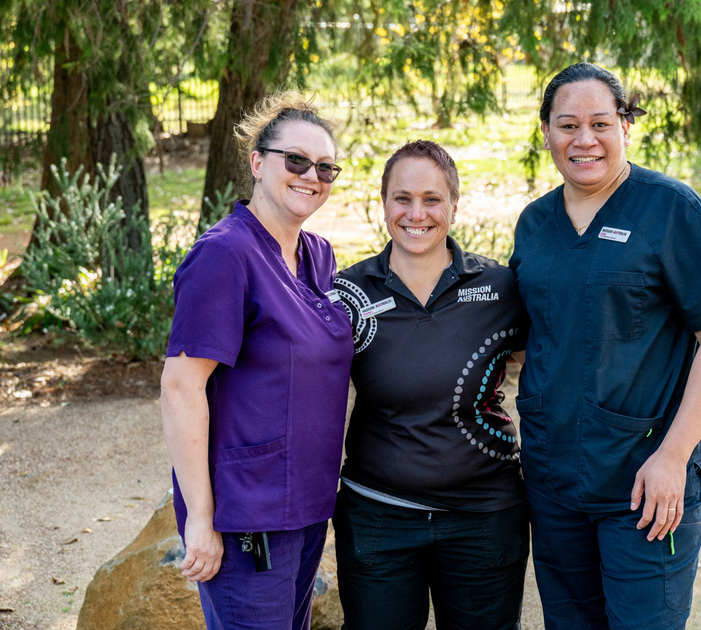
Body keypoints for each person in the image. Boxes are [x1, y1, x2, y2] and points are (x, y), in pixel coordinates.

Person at [509, 62, 701, 629]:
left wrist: (673, 458)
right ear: (546, 131)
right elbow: (536, 338)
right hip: (553, 480)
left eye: (600, 122)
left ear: (626, 125)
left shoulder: (669, 209)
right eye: (566, 124)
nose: (584, 139)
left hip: (645, 483)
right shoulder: (535, 223)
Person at [160, 91, 354, 630]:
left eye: (325, 167)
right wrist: (200, 518)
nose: (310, 175)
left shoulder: (316, 254)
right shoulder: (225, 255)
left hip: (308, 507)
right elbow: (180, 387)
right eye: (295, 161)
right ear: (257, 162)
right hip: (248, 515)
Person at [331, 140, 529, 630]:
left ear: (455, 207)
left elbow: (560, 365)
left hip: (485, 516)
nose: (416, 213)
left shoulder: (502, 288)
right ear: (383, 204)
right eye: (402, 198)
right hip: (379, 517)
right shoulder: (346, 295)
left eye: (432, 199)